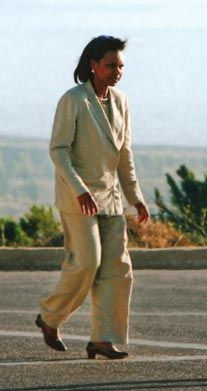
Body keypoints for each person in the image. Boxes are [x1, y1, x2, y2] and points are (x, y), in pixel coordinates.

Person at [35, 35, 149, 359]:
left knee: (117, 267)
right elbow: (58, 150)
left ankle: (103, 338)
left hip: (111, 198)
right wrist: (80, 189)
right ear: (93, 65)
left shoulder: (122, 101)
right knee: (87, 262)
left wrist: (136, 197)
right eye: (111, 65)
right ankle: (49, 317)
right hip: (78, 197)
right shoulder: (73, 99)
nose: (117, 71)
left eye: (121, 66)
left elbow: (124, 153)